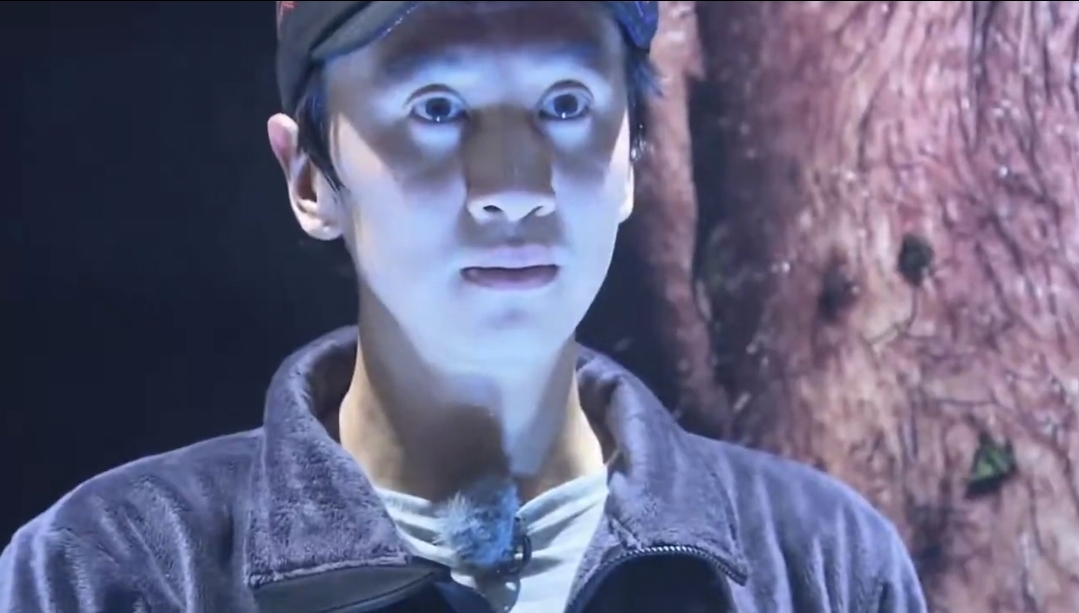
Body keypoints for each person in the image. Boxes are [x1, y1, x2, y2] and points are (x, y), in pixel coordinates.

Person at [0, 2, 928, 612]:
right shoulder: (115, 569)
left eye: (564, 103)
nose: (512, 185)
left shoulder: (819, 565)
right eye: (438, 108)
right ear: (309, 175)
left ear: (631, 159)